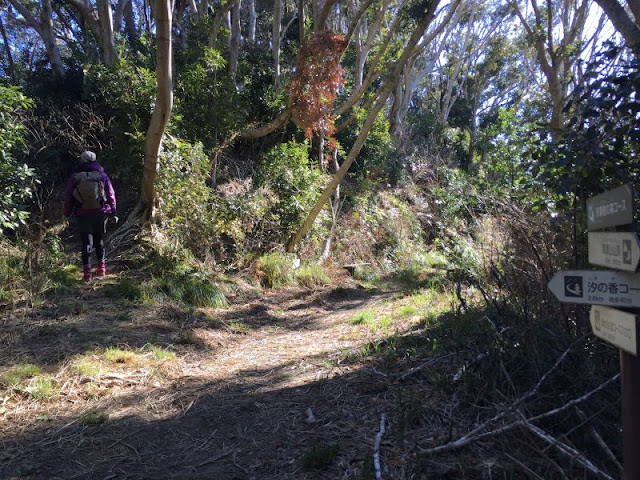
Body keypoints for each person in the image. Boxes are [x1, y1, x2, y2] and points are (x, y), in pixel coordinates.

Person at [63, 150, 118, 282]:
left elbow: (68, 197)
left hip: (83, 213)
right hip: (100, 212)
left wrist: (67, 213)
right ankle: (101, 270)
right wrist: (113, 212)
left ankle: (87, 274)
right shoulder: (102, 175)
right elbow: (111, 194)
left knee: (87, 242)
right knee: (99, 241)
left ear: (82, 160)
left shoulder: (76, 177)